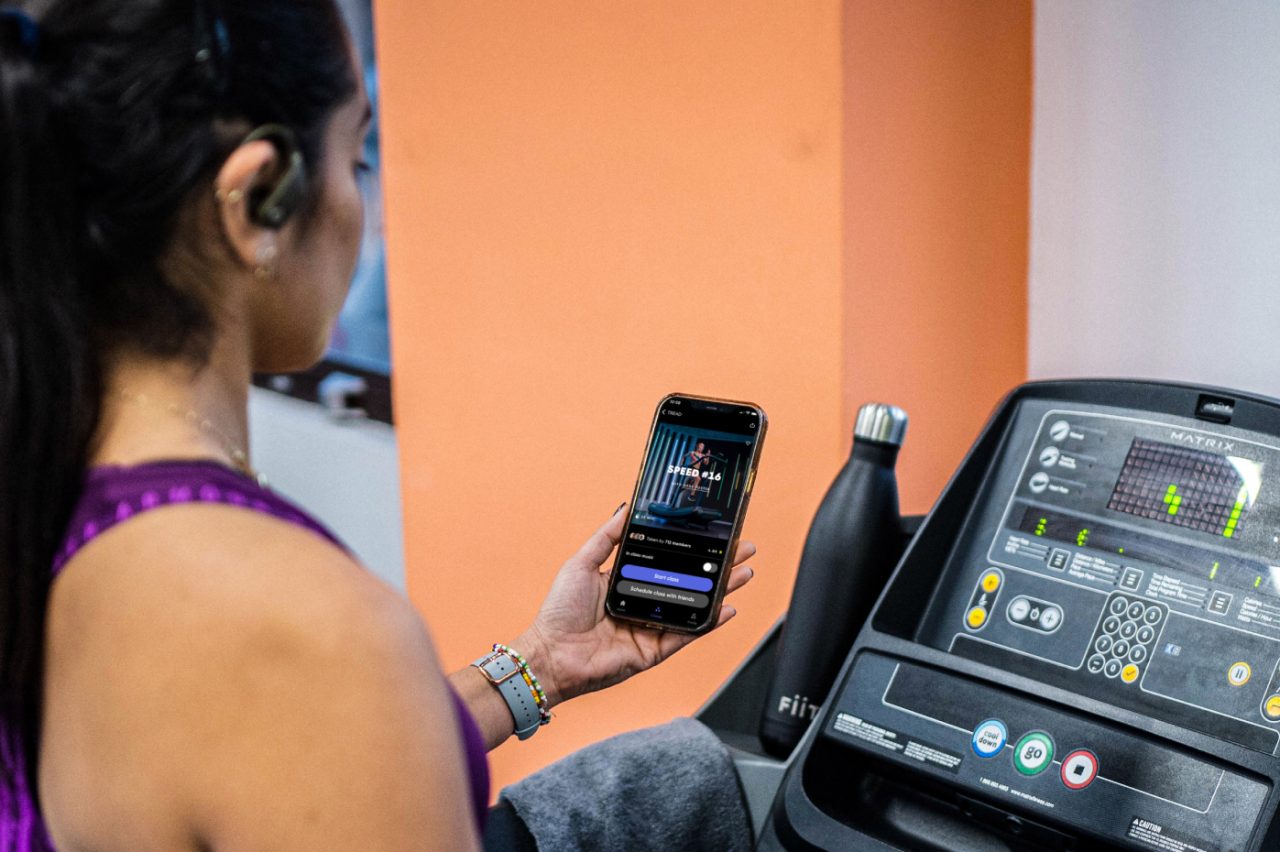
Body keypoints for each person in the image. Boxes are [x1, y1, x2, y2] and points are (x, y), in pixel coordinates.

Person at [0, 1, 755, 849]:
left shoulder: (45, 498)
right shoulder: (308, 627)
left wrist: (541, 663)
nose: (370, 211)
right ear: (254, 197)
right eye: (357, 154)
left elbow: (278, 762)